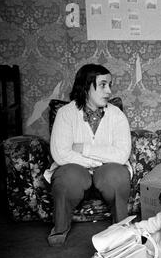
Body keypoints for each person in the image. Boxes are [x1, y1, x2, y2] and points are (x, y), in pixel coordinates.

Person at [44, 64, 132, 247]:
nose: (109, 91)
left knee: (116, 175)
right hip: (76, 170)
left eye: (110, 85)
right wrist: (100, 159)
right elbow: (60, 153)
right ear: (86, 86)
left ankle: (121, 228)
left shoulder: (117, 115)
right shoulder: (66, 113)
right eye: (103, 85)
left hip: (108, 171)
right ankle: (60, 228)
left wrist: (84, 148)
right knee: (68, 177)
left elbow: (122, 154)